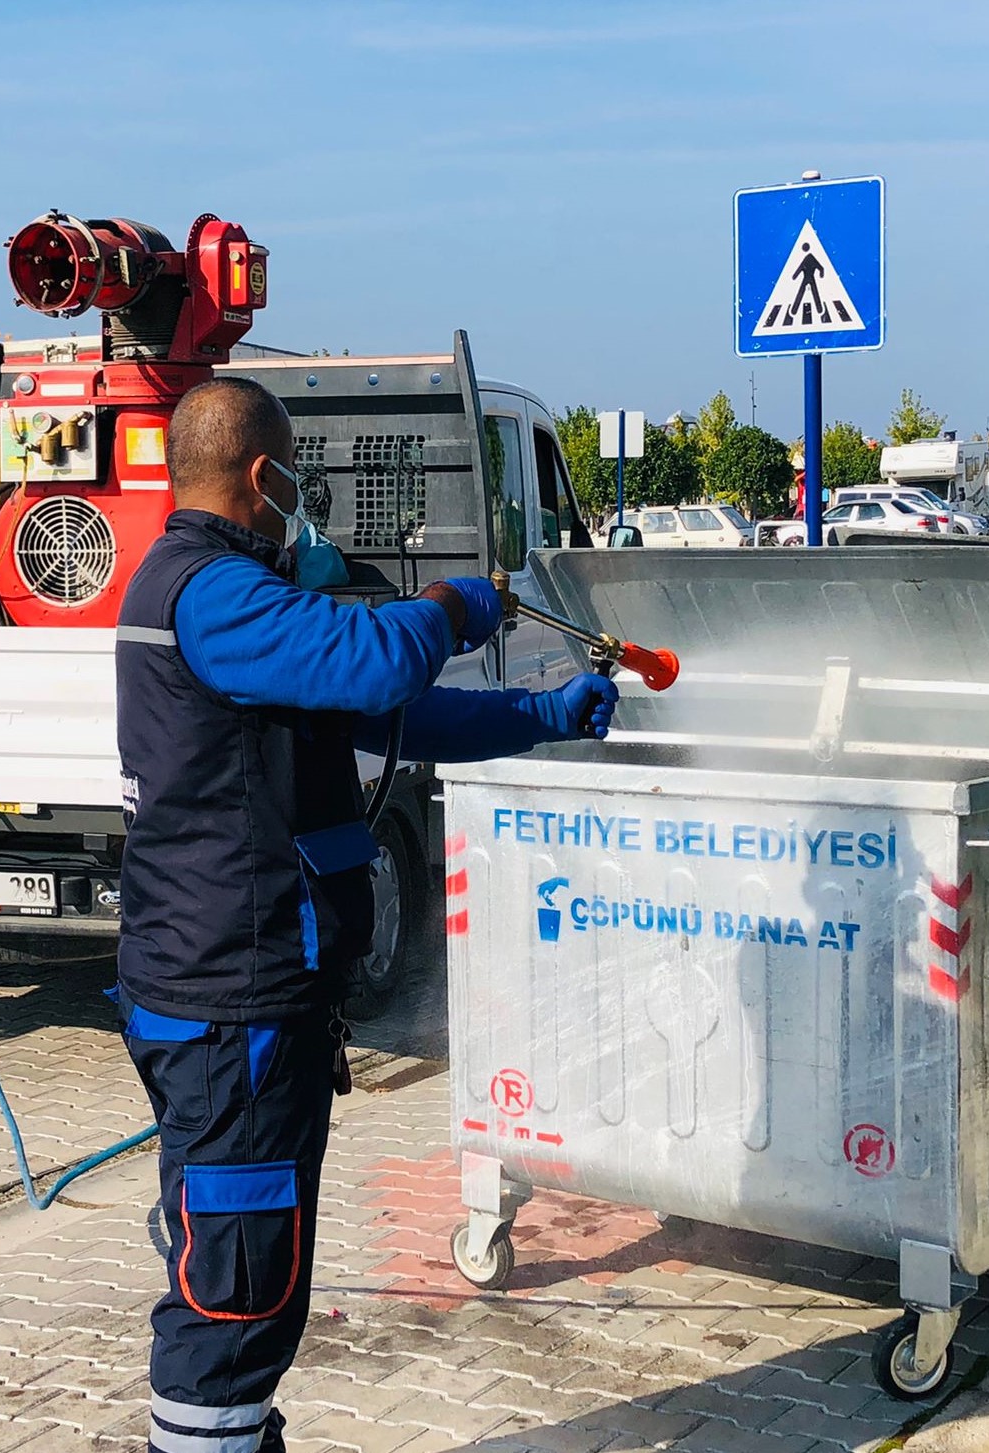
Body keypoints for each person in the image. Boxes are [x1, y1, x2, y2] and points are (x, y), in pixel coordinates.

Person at [114, 377, 618, 1453]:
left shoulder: (225, 599)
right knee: (234, 1292)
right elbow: (382, 657)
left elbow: (394, 710)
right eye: (297, 478)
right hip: (231, 1001)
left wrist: (539, 712)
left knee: (246, 1265)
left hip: (235, 992)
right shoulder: (213, 592)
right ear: (265, 476)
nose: (304, 503)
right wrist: (450, 607)